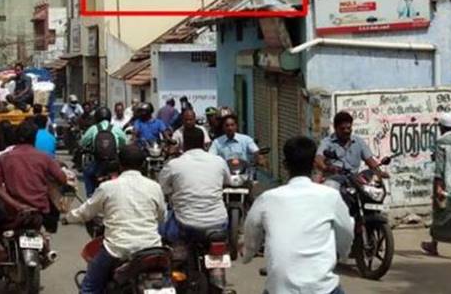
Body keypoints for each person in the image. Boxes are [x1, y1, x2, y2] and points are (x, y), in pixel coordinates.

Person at [243, 136, 353, 294]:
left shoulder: (267, 199)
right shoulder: (330, 196)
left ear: (285, 165)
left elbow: (251, 232)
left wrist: (248, 255)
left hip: (279, 289)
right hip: (323, 289)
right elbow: (346, 231)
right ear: (314, 163)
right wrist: (343, 255)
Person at [0, 121, 67, 294]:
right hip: (37, 212)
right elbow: (62, 179)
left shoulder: (5, 158)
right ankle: (44, 248)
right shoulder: (44, 157)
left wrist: (14, 204)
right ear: (34, 138)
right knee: (39, 228)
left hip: (10, 211)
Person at [66, 145, 167, 294]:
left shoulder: (107, 187)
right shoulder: (154, 187)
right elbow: (162, 217)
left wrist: (68, 217)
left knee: (89, 287)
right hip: (151, 248)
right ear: (143, 164)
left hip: (117, 249)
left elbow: (85, 212)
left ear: (119, 164)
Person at [159, 127, 229, 243]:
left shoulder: (174, 165)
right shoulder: (219, 161)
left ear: (184, 144)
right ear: (203, 143)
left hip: (186, 224)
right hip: (219, 222)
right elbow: (228, 181)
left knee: (160, 226)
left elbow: (163, 188)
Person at [421, 112, 451, 256]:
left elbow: (440, 168)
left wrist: (438, 186)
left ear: (441, 127)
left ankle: (434, 244)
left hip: (446, 184)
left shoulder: (442, 141)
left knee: (439, 214)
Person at [315, 110, 385, 190]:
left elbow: (370, 161)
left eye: (349, 128)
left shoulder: (358, 142)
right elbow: (318, 159)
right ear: (335, 128)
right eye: (342, 129)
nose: (346, 131)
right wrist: (327, 168)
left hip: (354, 183)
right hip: (334, 182)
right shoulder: (327, 142)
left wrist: (379, 172)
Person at [79, 107, 127, 197]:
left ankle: (90, 195)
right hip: (113, 162)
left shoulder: (93, 128)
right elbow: (124, 141)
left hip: (98, 161)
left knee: (87, 173)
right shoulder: (115, 128)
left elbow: (83, 142)